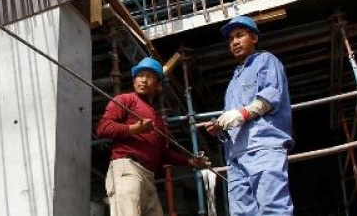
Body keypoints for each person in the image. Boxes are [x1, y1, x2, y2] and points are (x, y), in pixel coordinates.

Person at [97, 57, 208, 216]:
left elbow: (162, 153)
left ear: (158, 84)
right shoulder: (125, 99)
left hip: (148, 176)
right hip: (127, 168)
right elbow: (103, 127)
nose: (143, 80)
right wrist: (134, 129)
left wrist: (189, 161)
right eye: (140, 76)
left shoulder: (157, 119)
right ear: (134, 80)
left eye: (149, 76)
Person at [206, 15, 294, 215]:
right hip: (236, 155)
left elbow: (271, 97)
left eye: (240, 35)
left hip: (262, 147)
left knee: (272, 207)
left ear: (254, 37)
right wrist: (220, 127)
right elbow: (234, 119)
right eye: (231, 39)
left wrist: (241, 114)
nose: (235, 42)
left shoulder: (266, 60)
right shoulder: (233, 81)